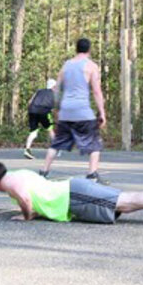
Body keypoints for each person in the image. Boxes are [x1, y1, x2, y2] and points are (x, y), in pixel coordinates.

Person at [0, 161, 143, 228]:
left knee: (127, 201)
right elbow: (33, 193)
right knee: (128, 203)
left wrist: (27, 216)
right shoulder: (17, 173)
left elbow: (25, 199)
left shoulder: (9, 183)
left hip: (73, 195)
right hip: (73, 193)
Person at [40, 38, 108, 184]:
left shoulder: (66, 65)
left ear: (76, 49)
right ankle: (92, 174)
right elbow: (96, 91)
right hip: (82, 111)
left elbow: (57, 89)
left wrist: (57, 108)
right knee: (94, 142)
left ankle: (43, 172)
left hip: (66, 111)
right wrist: (102, 112)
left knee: (57, 143)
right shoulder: (91, 66)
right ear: (89, 50)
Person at [24, 79, 58, 160]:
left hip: (32, 111)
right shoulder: (55, 94)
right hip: (44, 111)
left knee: (33, 132)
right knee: (50, 129)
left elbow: (30, 102)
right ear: (53, 86)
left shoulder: (39, 91)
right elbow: (56, 107)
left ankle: (27, 149)